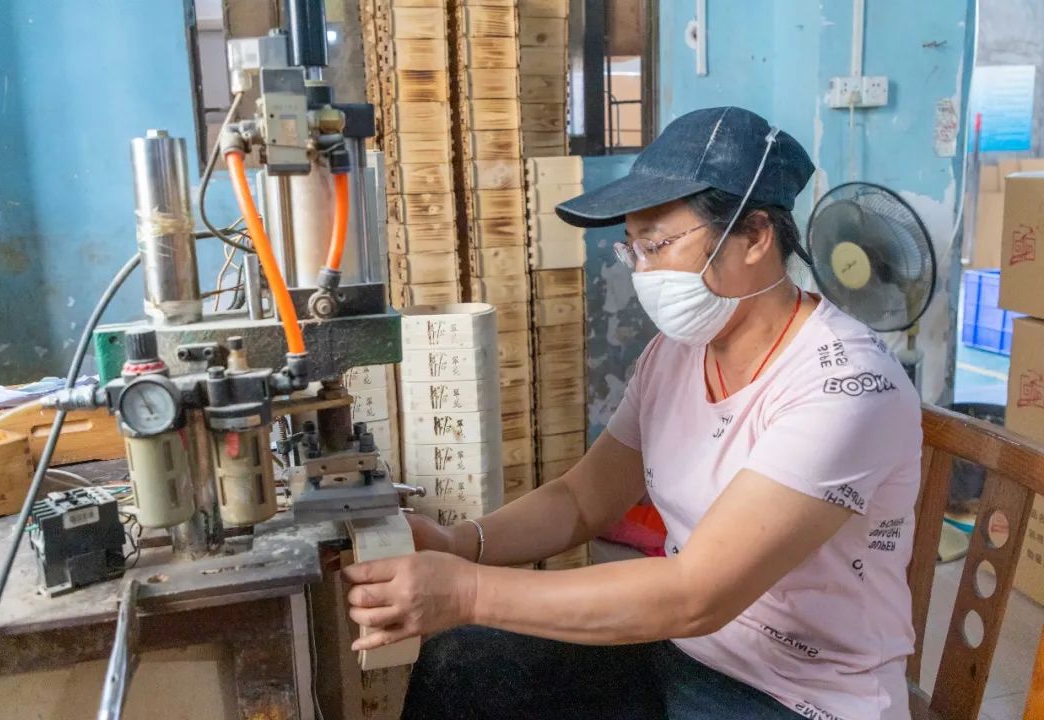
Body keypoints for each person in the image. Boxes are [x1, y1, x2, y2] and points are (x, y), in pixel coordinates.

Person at [342, 106, 922, 720]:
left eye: (659, 245)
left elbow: (696, 594)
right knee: (467, 665)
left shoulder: (844, 387)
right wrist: (462, 544)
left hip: (799, 695)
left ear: (755, 236)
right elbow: (582, 499)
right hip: (687, 654)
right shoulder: (673, 356)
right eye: (632, 249)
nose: (644, 271)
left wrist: (466, 591)